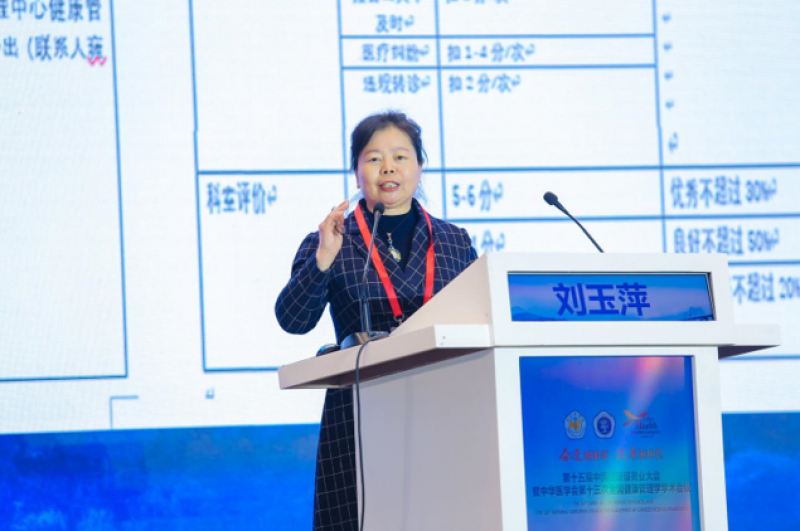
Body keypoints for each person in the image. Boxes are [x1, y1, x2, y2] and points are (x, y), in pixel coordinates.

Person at [275, 111, 478, 531]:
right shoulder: (331, 239)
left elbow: (479, 317)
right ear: (356, 171)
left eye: (400, 157)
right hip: (358, 412)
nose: (388, 168)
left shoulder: (454, 241)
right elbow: (293, 320)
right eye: (374, 158)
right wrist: (323, 259)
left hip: (442, 405)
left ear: (419, 166)